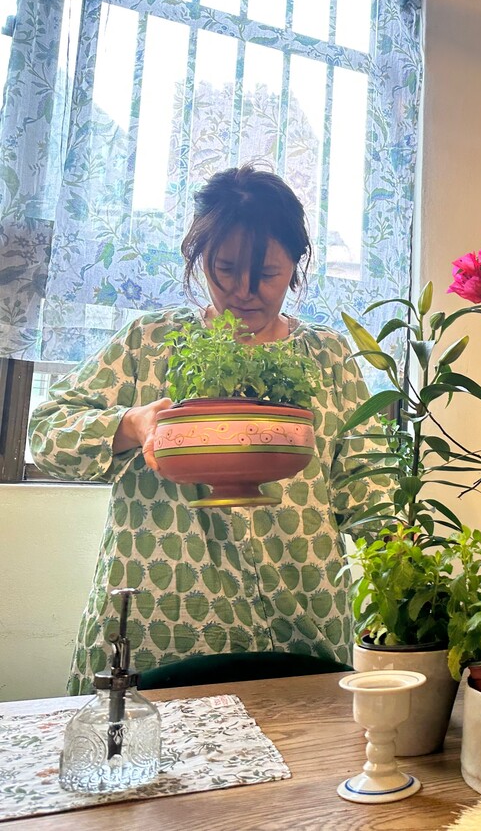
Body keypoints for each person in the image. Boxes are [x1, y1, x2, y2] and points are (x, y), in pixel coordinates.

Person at [29, 165, 387, 694]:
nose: (244, 291)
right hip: (162, 618)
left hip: (298, 617)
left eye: (267, 274)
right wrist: (131, 424)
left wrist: (405, 582)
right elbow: (46, 433)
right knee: (140, 743)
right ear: (200, 260)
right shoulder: (150, 342)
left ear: (296, 264)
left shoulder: (327, 356)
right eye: (225, 269)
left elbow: (370, 484)